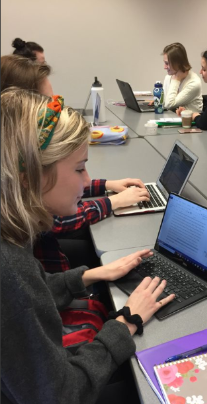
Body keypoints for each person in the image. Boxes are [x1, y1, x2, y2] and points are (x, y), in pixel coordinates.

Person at [0, 88, 175, 404]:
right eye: (79, 168)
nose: (85, 181)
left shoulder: (12, 235)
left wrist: (90, 276)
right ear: (30, 175)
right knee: (152, 399)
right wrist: (126, 323)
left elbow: (30, 293)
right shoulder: (9, 266)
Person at [1, 54, 150, 273]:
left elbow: (56, 181)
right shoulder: (12, 262)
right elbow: (58, 218)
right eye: (47, 105)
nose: (55, 111)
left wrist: (106, 185)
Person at [161, 42, 203, 112]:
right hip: (172, 119)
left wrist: (176, 80)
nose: (164, 67)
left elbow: (169, 105)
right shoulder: (168, 77)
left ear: (178, 63)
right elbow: (165, 104)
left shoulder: (194, 82)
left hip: (188, 122)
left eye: (167, 63)